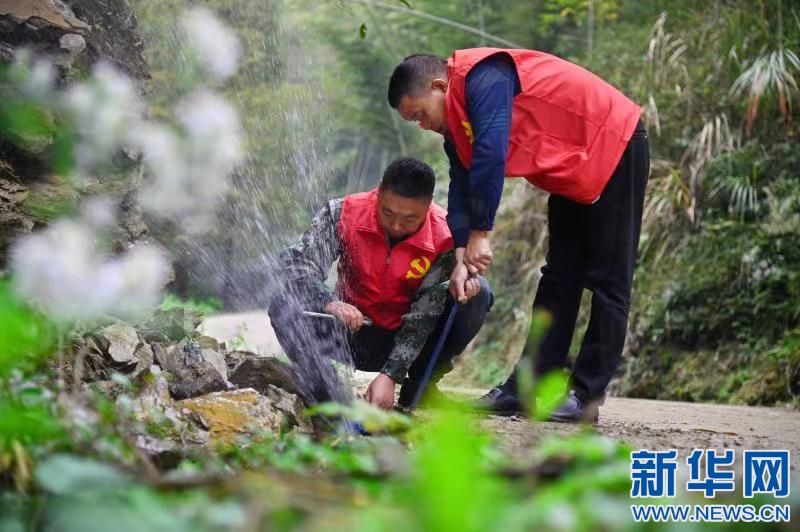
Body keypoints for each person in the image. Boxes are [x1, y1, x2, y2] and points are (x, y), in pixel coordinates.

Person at [387, 48, 650, 422]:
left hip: (613, 140)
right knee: (559, 275)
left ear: (439, 86)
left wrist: (481, 231)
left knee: (610, 280)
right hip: (572, 166)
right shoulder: (455, 126)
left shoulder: (485, 78)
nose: (423, 125)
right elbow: (462, 184)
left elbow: (490, 153)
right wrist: (461, 254)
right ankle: (523, 390)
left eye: (420, 114)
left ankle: (585, 396)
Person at [268, 158, 493, 410]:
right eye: (388, 213)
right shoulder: (343, 213)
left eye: (409, 219)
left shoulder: (446, 236)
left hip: (410, 340)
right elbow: (297, 265)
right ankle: (328, 392)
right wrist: (329, 302)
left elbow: (425, 312)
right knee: (282, 303)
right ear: (379, 191)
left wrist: (390, 375)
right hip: (349, 332)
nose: (396, 226)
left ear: (428, 205)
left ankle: (420, 388)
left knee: (478, 291)